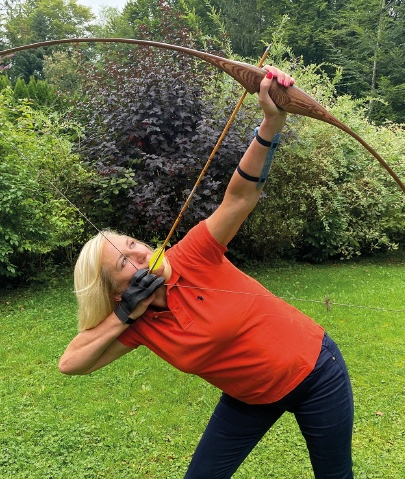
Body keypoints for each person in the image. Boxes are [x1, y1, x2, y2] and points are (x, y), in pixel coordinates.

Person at [59, 66, 354, 479]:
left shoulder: (192, 254)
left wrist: (271, 122)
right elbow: (72, 363)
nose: (140, 254)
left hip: (315, 372)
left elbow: (240, 197)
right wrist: (125, 314)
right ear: (114, 292)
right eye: (124, 262)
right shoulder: (137, 324)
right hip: (249, 399)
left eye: (133, 244)